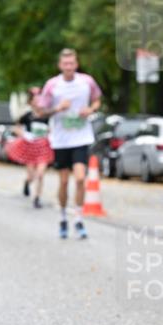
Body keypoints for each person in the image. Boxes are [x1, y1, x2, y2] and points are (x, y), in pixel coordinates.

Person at [36, 48, 102, 239]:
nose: (68, 67)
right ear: (60, 65)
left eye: (71, 63)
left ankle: (78, 218)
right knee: (64, 181)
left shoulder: (87, 82)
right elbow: (41, 111)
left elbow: (97, 100)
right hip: (61, 140)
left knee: (81, 178)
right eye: (65, 64)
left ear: (76, 64)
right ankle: (63, 216)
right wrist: (58, 108)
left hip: (81, 137)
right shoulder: (52, 85)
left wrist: (90, 109)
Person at [7, 87, 54, 208]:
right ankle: (27, 182)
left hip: (43, 147)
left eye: (41, 100)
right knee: (32, 175)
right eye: (36, 100)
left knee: (41, 173)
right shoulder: (27, 116)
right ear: (31, 102)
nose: (39, 103)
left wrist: (50, 133)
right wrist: (25, 135)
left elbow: (52, 129)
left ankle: (37, 198)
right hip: (30, 147)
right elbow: (15, 128)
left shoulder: (47, 116)